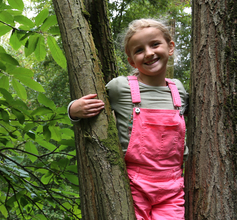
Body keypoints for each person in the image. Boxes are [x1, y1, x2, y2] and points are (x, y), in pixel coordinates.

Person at [68, 19, 188, 220]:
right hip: (133, 184)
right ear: (132, 61)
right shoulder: (120, 87)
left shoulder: (178, 90)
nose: (149, 53)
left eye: (155, 44)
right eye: (139, 50)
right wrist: (73, 109)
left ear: (170, 47)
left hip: (173, 187)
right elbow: (87, 104)